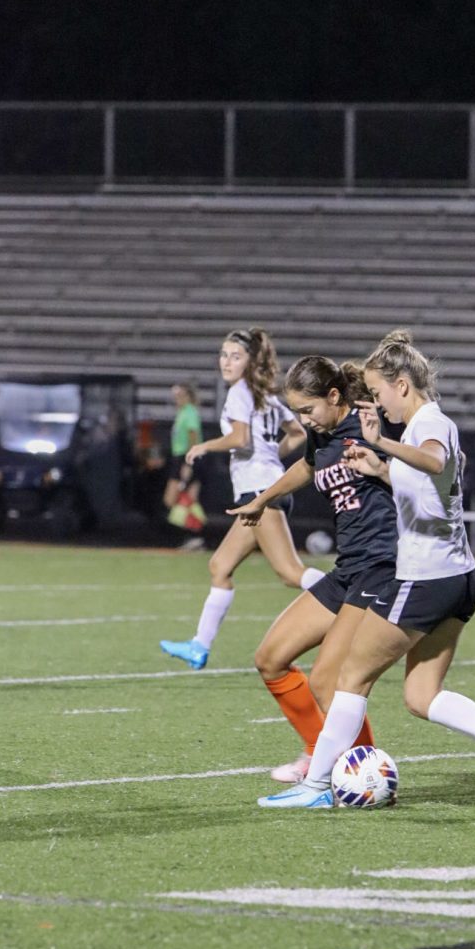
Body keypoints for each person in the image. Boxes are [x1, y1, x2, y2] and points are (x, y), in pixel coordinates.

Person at [258, 330, 475, 812]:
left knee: (348, 679)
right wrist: (379, 467)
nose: (375, 403)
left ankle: (316, 787)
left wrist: (382, 447)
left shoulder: (428, 423)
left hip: (425, 577)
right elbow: (426, 484)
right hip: (461, 578)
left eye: (378, 392)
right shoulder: (422, 428)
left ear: (403, 386)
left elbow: (432, 457)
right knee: (421, 695)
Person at [229, 355, 397, 783]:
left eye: (309, 409)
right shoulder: (320, 436)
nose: (305, 420)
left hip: (380, 565)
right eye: (298, 412)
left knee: (328, 681)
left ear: (335, 395)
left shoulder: (369, 426)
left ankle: (365, 771)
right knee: (270, 658)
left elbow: (416, 473)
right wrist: (262, 498)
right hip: (347, 569)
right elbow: (307, 466)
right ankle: (316, 749)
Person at [159, 328, 325, 672]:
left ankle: (356, 604)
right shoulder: (265, 395)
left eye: (235, 356)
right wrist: (271, 459)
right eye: (223, 354)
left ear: (250, 362)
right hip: (263, 487)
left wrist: (205, 445)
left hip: (259, 492)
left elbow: (240, 437)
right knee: (220, 566)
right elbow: (297, 432)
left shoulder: (240, 392)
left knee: (289, 572)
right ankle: (199, 646)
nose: (227, 361)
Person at [163, 382, 204, 551]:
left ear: (187, 396)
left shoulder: (190, 413)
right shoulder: (182, 413)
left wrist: (189, 462)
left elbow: (193, 436)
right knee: (185, 500)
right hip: (180, 457)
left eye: (179, 396)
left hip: (186, 458)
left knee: (176, 499)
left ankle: (193, 536)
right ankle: (193, 537)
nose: (176, 399)